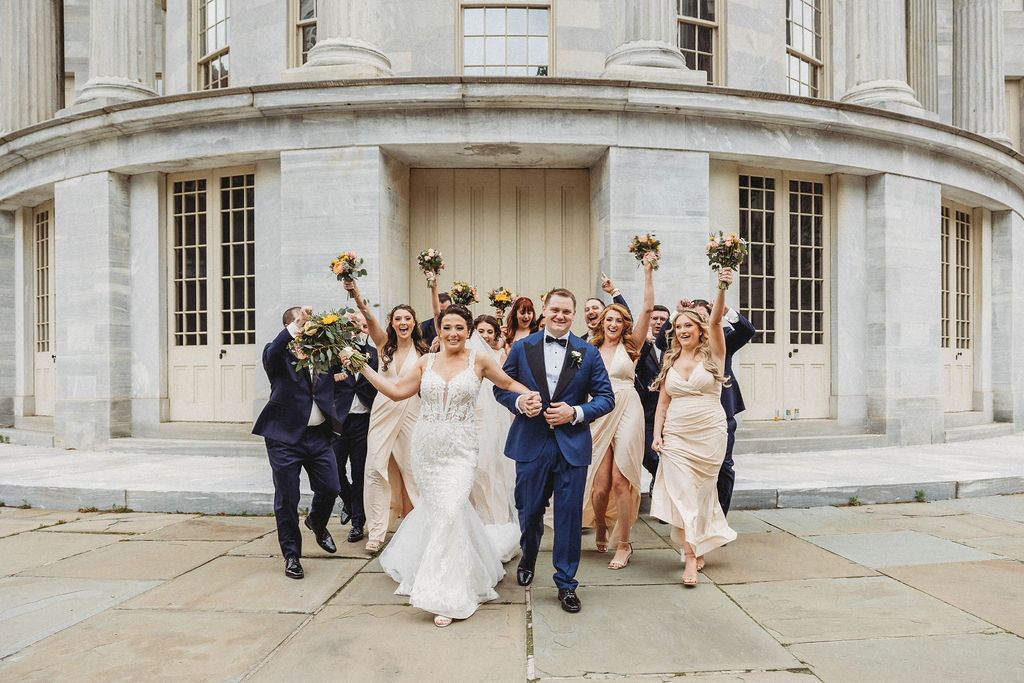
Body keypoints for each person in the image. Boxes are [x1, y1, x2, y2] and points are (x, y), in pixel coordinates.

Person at [349, 304, 537, 627]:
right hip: (427, 450)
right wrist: (362, 366)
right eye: (446, 327)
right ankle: (466, 569)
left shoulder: (479, 360)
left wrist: (530, 395)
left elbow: (506, 383)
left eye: (459, 328)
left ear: (469, 331)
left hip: (462, 451)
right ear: (439, 330)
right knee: (442, 515)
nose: (452, 334)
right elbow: (395, 392)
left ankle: (445, 594)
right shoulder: (426, 362)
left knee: (450, 511)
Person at [494, 289, 615, 614]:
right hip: (531, 444)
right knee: (529, 511)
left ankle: (566, 584)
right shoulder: (522, 348)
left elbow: (606, 398)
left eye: (567, 311)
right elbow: (500, 387)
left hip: (571, 447)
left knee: (569, 517)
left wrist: (575, 412)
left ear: (573, 314)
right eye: (555, 309)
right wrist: (519, 402)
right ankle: (529, 553)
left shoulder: (587, 352)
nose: (560, 315)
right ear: (544, 311)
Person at [650, 269, 738, 586]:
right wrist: (657, 435)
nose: (682, 329)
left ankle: (698, 543)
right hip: (676, 436)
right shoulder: (670, 360)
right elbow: (662, 404)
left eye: (688, 325)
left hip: (709, 433)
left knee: (701, 495)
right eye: (678, 326)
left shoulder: (714, 354)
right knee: (684, 494)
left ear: (700, 330)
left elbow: (716, 322)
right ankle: (689, 558)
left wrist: (722, 285)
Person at [252, 306, 341, 580]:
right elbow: (273, 351)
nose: (307, 326)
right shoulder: (277, 352)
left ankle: (316, 521)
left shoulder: (323, 352)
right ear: (290, 327)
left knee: (331, 487)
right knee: (287, 498)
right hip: (284, 438)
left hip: (318, 436)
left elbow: (339, 377)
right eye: (301, 324)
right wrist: (295, 327)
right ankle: (292, 555)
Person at [654, 277, 755, 515]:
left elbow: (748, 330)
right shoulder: (680, 344)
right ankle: (690, 517)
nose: (696, 323)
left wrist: (726, 309)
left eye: (702, 317)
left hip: (719, 413)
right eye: (691, 319)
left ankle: (717, 516)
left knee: (724, 467)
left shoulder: (724, 340)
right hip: (684, 423)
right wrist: (677, 314)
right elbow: (661, 341)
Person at [582, 255, 654, 570]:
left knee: (621, 480)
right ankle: (599, 523)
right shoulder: (584, 349)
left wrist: (647, 271)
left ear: (623, 324)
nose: (613, 325)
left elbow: (649, 310)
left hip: (628, 407)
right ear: (601, 323)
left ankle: (624, 543)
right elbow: (567, 381)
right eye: (608, 320)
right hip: (598, 411)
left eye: (618, 320)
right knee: (599, 487)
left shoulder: (632, 346)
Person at [346, 278, 428, 552]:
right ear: (392, 323)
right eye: (397, 318)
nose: (402, 322)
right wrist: (356, 295)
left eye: (407, 318)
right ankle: (377, 530)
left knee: (412, 469)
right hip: (382, 412)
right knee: (374, 469)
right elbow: (368, 319)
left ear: (414, 323)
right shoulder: (384, 345)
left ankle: (420, 525)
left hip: (411, 413)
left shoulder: (425, 352)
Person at [329, 311, 378, 544]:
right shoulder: (334, 354)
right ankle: (347, 500)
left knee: (360, 473)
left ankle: (358, 523)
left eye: (362, 324)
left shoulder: (375, 355)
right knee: (334, 470)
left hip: (364, 422)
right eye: (353, 324)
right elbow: (324, 382)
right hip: (339, 421)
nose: (358, 328)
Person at [470, 314, 517, 526]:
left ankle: (497, 521)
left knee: (491, 468)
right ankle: (474, 521)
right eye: (481, 331)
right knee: (472, 471)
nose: (486, 335)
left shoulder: (501, 356)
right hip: (471, 418)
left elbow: (508, 383)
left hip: (496, 419)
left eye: (490, 331)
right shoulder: (466, 356)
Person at [636, 304, 671, 482]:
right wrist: (646, 344)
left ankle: (662, 484)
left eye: (663, 319)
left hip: (671, 412)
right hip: (647, 411)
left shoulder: (674, 346)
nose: (658, 322)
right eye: (654, 318)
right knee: (648, 454)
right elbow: (636, 367)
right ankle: (659, 479)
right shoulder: (639, 344)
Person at [582, 272, 628, 340]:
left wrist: (613, 291)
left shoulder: (614, 335)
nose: (590, 312)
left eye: (595, 308)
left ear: (605, 313)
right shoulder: (580, 341)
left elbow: (626, 317)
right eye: (587, 310)